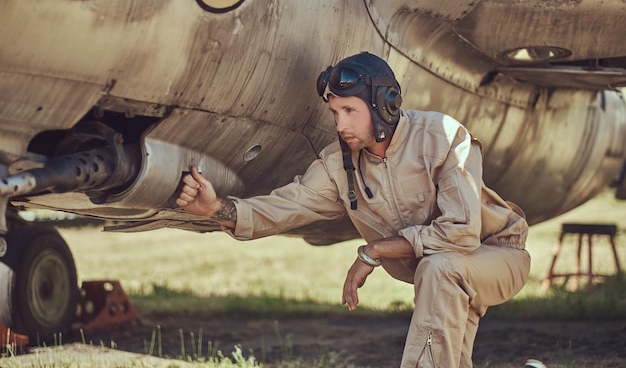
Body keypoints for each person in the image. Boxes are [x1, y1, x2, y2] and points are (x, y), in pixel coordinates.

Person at [176, 52, 530, 368]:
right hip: (442, 274)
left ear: (385, 105)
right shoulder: (338, 164)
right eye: (334, 112)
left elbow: (461, 233)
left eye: (349, 111)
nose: (339, 125)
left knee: (440, 267)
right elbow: (287, 204)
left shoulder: (442, 136)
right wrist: (216, 208)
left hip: (495, 253)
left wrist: (374, 251)